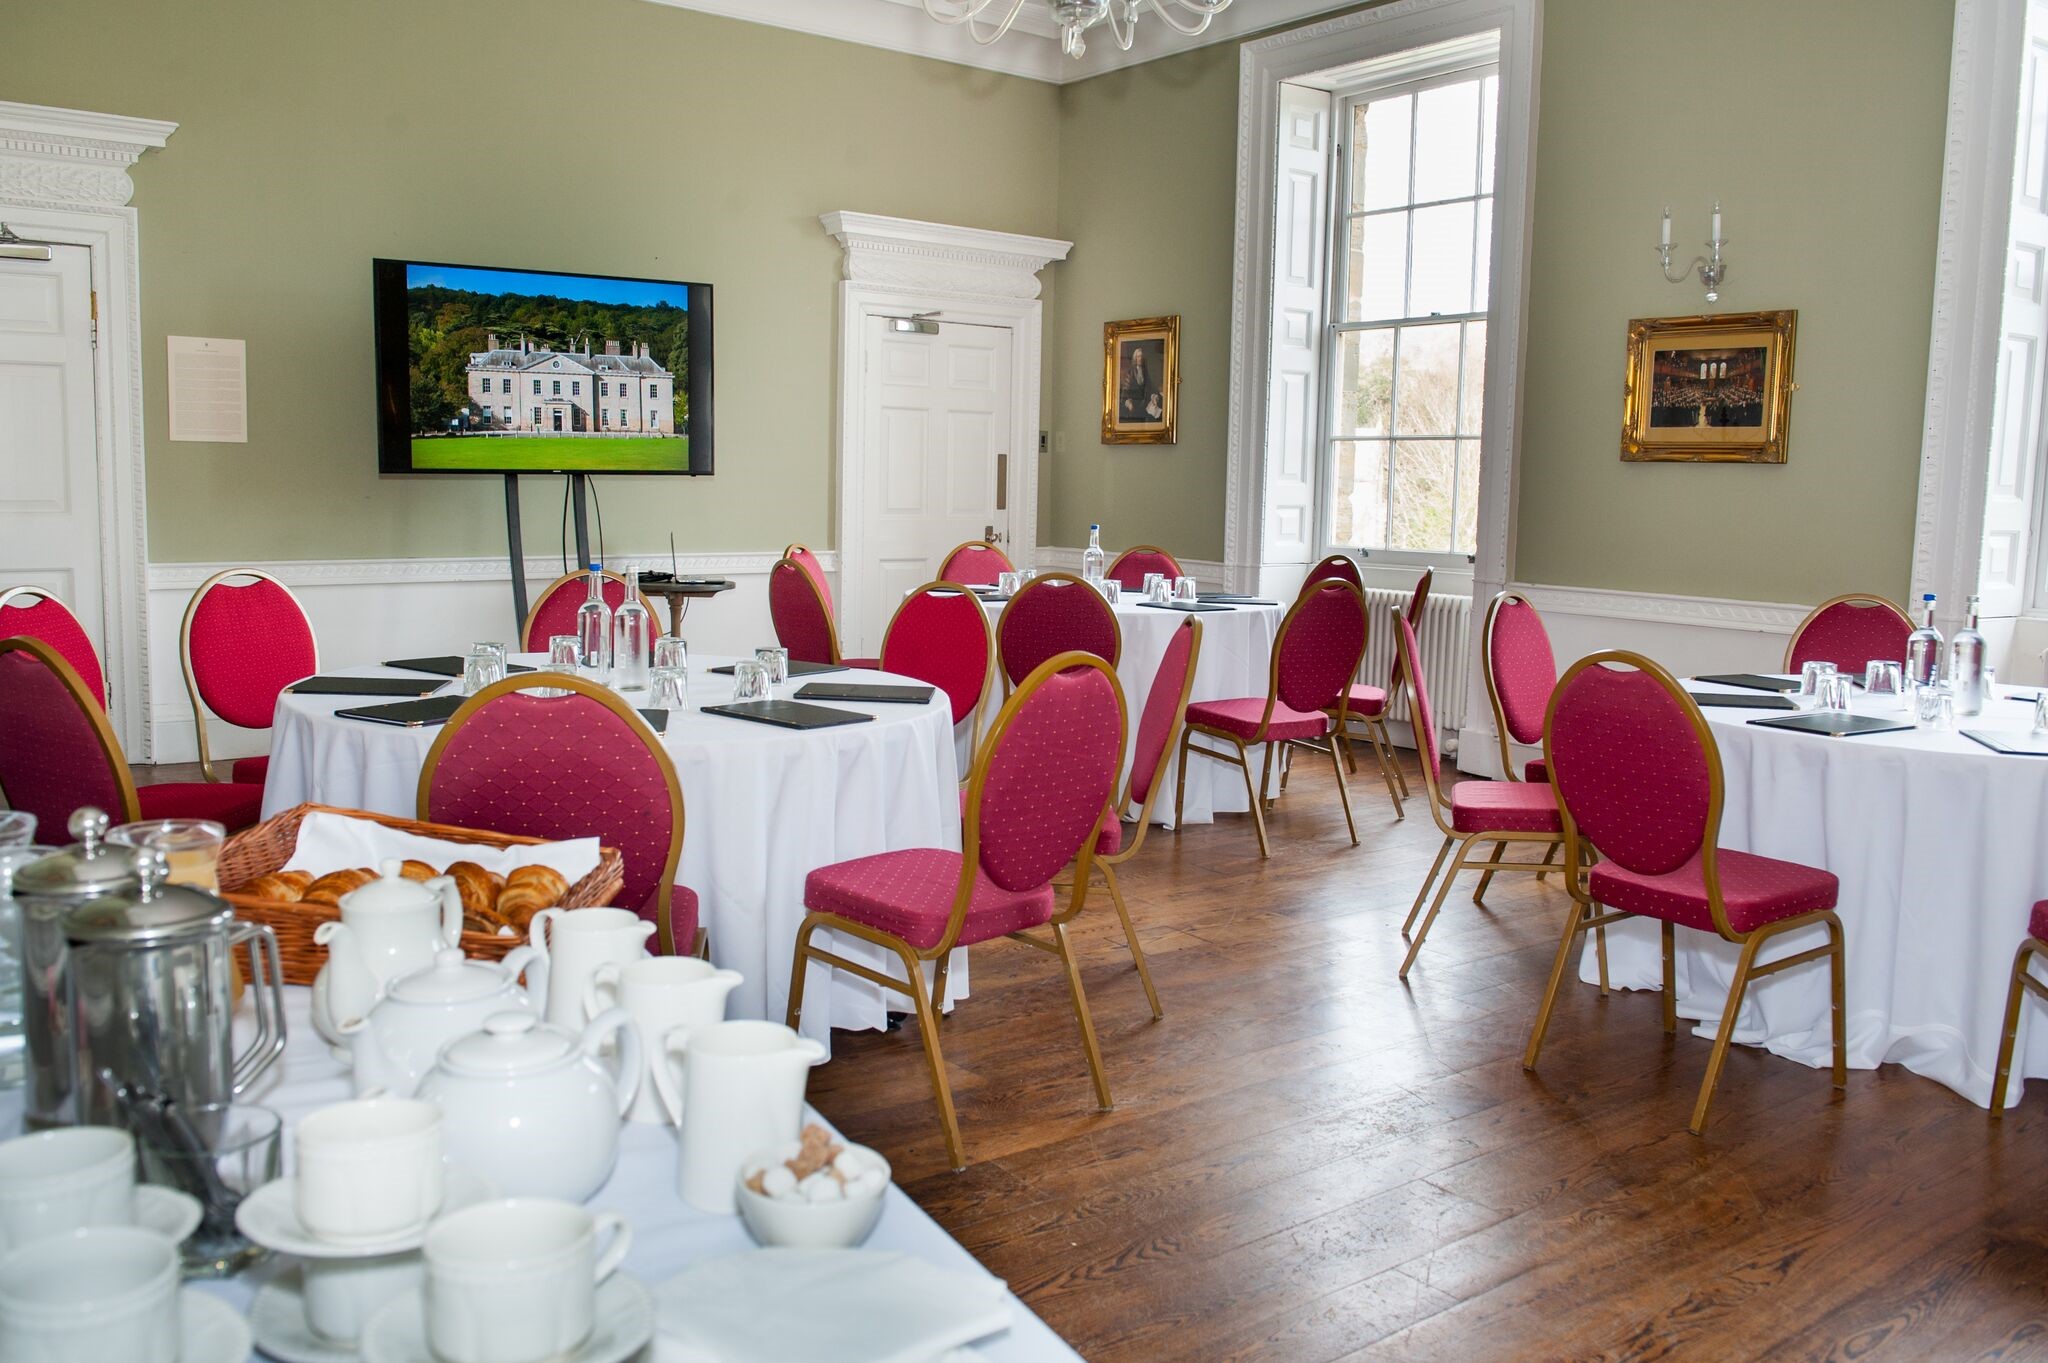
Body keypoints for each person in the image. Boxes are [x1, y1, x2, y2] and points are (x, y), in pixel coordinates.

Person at [1120, 343, 1161, 424]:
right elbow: (1125, 391)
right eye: (1138, 356)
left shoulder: (1145, 372)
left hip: (1144, 402)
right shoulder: (1130, 372)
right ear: (1135, 358)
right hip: (1134, 403)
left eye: (1141, 356)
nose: (1140, 358)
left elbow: (1150, 386)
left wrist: (1154, 395)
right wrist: (1129, 403)